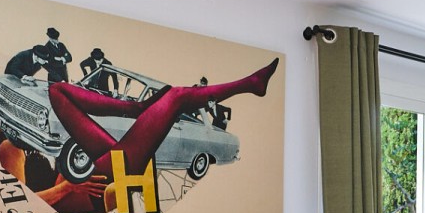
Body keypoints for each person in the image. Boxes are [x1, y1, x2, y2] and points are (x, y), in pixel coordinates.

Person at [48, 57, 279, 179]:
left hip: (110, 157)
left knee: (57, 89)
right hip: (122, 163)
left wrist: (134, 109)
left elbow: (60, 93)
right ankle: (250, 84)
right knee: (177, 95)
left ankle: (135, 108)